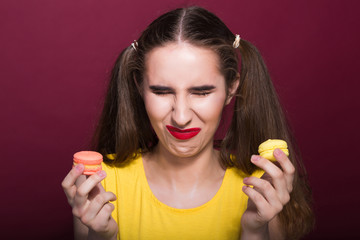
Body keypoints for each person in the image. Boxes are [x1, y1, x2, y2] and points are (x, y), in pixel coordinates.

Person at [62, 6, 314, 240]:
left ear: (230, 89)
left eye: (202, 92)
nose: (181, 118)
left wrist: (254, 231)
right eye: (161, 91)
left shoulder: (265, 189)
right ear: (139, 87)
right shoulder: (100, 187)